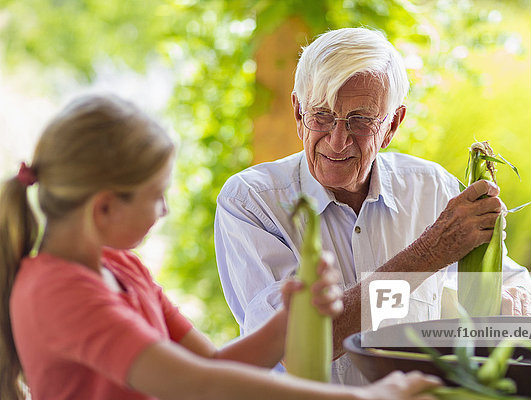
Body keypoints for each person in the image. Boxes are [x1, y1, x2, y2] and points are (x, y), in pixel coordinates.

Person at [0, 94, 442, 400]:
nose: (166, 209)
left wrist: (289, 320)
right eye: (157, 195)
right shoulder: (59, 291)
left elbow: (214, 365)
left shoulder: (120, 268)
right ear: (104, 209)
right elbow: (195, 386)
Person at [214, 27, 531, 385]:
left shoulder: (432, 186)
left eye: (361, 121)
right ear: (297, 112)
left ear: (392, 125)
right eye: (321, 115)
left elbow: (513, 281)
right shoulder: (251, 201)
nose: (337, 141)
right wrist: (429, 253)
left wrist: (518, 299)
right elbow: (294, 346)